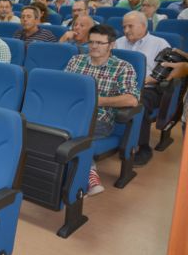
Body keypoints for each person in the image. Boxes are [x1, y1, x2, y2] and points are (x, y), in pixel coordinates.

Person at [65, 25, 139, 195]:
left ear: (111, 45)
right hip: (71, 113)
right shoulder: (76, 61)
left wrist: (97, 100)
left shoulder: (123, 67)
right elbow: (64, 86)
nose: (93, 46)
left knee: (73, 135)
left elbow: (132, 99)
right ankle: (88, 172)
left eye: (99, 43)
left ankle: (85, 176)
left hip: (100, 119)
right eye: (91, 42)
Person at [116, 11, 170, 166]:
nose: (126, 30)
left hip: (148, 87)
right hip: (120, 85)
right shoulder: (119, 42)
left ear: (143, 25)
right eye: (124, 27)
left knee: (140, 103)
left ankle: (143, 147)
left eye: (130, 26)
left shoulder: (160, 43)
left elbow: (165, 72)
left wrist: (142, 82)